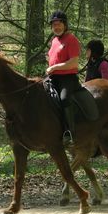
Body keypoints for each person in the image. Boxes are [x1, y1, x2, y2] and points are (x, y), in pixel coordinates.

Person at [46, 10, 81, 146]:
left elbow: (73, 62)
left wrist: (54, 67)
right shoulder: (54, 40)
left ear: (65, 25)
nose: (56, 27)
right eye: (54, 25)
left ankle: (70, 133)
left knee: (64, 98)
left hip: (68, 79)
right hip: (53, 78)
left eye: (59, 24)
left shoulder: (71, 39)